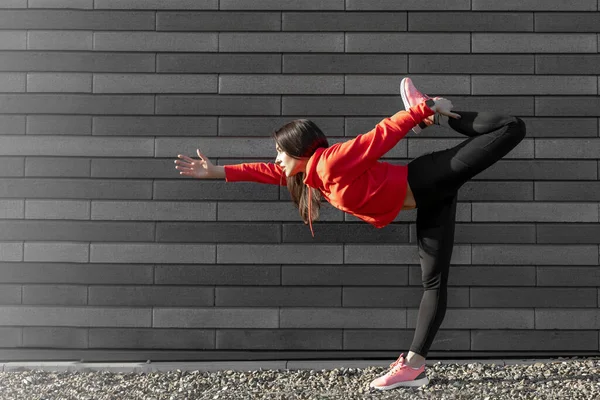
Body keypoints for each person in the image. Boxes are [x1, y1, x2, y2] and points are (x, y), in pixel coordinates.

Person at [173, 77, 526, 391]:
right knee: (433, 283)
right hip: (430, 199)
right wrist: (217, 171)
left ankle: (437, 112)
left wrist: (421, 110)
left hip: (429, 178)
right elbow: (266, 172)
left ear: (299, 150)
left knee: (512, 127)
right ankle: (413, 368)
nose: (277, 158)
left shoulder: (330, 161)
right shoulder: (311, 177)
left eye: (281, 151)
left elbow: (379, 136)